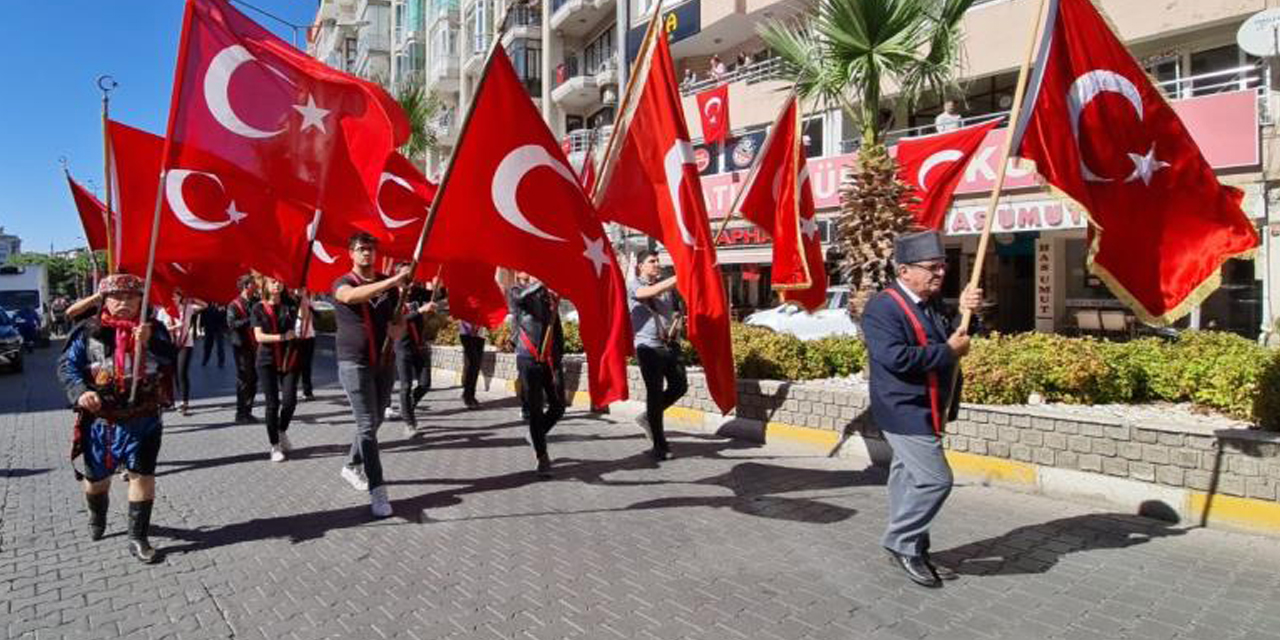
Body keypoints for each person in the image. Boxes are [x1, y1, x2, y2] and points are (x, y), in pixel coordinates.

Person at [861, 230, 982, 589]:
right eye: (932, 267)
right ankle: (902, 542)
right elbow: (895, 358)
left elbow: (954, 335)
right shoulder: (883, 307)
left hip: (930, 405)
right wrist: (948, 352)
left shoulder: (930, 301)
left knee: (907, 476)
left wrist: (967, 313)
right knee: (935, 480)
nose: (940, 273)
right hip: (903, 409)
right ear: (904, 271)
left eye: (942, 267)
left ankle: (912, 541)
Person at [57, 273, 176, 564]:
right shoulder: (87, 331)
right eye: (116, 297)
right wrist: (81, 392)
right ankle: (97, 513)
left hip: (144, 417)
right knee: (97, 481)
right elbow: (67, 367)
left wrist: (152, 343)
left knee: (143, 476)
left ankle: (138, 537)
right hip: (100, 420)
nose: (123, 302)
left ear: (141, 300)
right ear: (104, 300)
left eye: (131, 297)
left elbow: (171, 358)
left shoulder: (154, 329)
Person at [332, 233, 409, 518]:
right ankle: (378, 491)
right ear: (351, 253)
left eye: (371, 250)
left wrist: (397, 327)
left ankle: (351, 464)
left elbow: (398, 323)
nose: (367, 254)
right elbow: (351, 297)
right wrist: (393, 281)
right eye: (362, 249)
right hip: (354, 363)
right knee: (366, 424)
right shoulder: (343, 283)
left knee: (375, 420)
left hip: (384, 362)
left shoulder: (388, 288)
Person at [628, 251, 687, 461]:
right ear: (641, 267)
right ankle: (659, 445)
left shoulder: (666, 287)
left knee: (680, 387)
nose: (656, 264)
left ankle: (648, 416)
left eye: (657, 261)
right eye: (651, 262)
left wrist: (677, 322)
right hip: (647, 347)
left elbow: (673, 310)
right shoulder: (634, 285)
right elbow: (648, 293)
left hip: (669, 345)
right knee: (654, 392)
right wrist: (679, 276)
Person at [508, 271, 564, 477]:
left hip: (548, 359)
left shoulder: (548, 297)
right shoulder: (517, 292)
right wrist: (542, 282)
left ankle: (535, 434)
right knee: (535, 408)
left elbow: (555, 328)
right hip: (527, 358)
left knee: (558, 407)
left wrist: (560, 355)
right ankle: (542, 456)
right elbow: (523, 298)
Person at [252, 278, 299, 463]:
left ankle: (281, 430)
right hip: (266, 360)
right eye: (272, 281)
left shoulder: (290, 305)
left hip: (289, 358)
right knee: (272, 404)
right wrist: (282, 336)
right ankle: (275, 445)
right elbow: (258, 336)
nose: (277, 284)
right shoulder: (258, 308)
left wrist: (302, 296)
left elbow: (303, 313)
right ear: (265, 285)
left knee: (290, 401)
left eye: (280, 281)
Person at [392, 277, 437, 436]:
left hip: (420, 346)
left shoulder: (417, 296)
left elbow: (439, 294)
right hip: (402, 347)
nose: (409, 286)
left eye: (411, 282)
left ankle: (409, 405)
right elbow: (397, 320)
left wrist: (440, 283)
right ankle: (409, 424)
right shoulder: (391, 299)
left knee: (425, 384)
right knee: (405, 386)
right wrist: (419, 311)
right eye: (405, 281)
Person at [157, 293, 206, 416]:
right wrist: (173, 327)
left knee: (181, 372)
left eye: (176, 296)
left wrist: (193, 298)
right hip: (169, 345)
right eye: (171, 296)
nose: (173, 298)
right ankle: (170, 399)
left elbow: (204, 305)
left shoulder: (187, 308)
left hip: (185, 343)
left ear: (180, 297)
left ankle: (184, 402)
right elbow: (159, 329)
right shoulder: (163, 311)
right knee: (170, 372)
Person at [227, 276, 260, 424]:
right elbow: (232, 324)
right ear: (247, 286)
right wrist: (250, 320)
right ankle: (240, 413)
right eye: (254, 283)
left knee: (253, 379)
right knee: (243, 379)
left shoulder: (254, 302)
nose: (256, 285)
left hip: (254, 346)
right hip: (241, 347)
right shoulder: (233, 305)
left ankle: (248, 411)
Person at [293, 292, 317, 400]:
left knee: (306, 366)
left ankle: (307, 391)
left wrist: (310, 305)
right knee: (295, 366)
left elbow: (317, 317)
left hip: (309, 337)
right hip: (296, 338)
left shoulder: (309, 304)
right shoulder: (293, 304)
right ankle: (290, 391)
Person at [459, 320, 485, 409]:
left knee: (476, 366)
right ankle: (468, 396)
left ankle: (471, 395)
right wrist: (472, 328)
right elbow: (463, 316)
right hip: (467, 335)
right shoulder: (466, 306)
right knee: (473, 364)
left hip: (480, 335)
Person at [200, 303, 227, 369]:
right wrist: (201, 325)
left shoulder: (221, 304)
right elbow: (203, 314)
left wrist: (222, 310)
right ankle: (205, 359)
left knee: (220, 346)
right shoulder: (207, 304)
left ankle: (221, 362)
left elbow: (223, 317)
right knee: (207, 345)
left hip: (218, 328)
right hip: (209, 328)